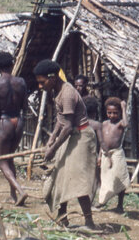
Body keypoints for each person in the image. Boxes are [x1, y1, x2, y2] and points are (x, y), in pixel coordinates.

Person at [35, 59, 97, 229]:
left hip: (81, 136)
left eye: (42, 82)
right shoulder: (58, 91)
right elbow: (61, 120)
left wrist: (52, 149)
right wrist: (51, 139)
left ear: (52, 78)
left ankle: (89, 223)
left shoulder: (68, 93)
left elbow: (68, 126)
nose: (40, 87)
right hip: (70, 136)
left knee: (77, 179)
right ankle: (62, 219)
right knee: (60, 175)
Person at [0, 51, 29, 205]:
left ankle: (21, 191)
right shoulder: (21, 82)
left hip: (5, 122)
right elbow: (24, 106)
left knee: (2, 162)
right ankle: (14, 196)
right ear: (12, 64)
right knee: (10, 159)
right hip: (18, 121)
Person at [96, 97, 130, 213]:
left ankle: (120, 205)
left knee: (119, 177)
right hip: (106, 154)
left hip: (116, 154)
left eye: (115, 113)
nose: (112, 115)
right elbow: (102, 142)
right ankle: (102, 201)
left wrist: (124, 107)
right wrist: (100, 155)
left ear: (119, 113)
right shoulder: (104, 124)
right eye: (109, 113)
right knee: (105, 178)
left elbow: (126, 123)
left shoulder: (120, 123)